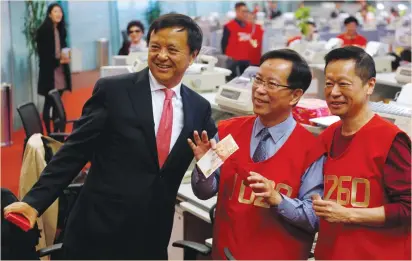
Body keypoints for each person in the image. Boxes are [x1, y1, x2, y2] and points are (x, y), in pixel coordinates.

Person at [4, 13, 217, 260]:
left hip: (152, 237)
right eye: (155, 47)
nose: (161, 56)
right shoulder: (114, 91)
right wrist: (33, 202)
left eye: (172, 49)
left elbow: (213, 161)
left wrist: (206, 167)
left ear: (193, 55)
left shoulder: (198, 108)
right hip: (98, 231)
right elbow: (74, 151)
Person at [188, 49, 325, 260]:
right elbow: (204, 191)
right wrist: (203, 166)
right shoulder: (229, 133)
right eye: (257, 80)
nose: (259, 90)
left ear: (295, 95)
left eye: (271, 84)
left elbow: (314, 218)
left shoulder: (312, 149)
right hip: (227, 253)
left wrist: (278, 200)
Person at [313, 46, 411, 260]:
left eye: (343, 84)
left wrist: (348, 214)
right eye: (329, 83)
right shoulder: (326, 136)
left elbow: (407, 208)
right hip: (332, 253)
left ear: (370, 86)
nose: (333, 92)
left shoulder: (391, 141)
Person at [36, 3, 72, 134]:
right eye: (55, 11)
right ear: (50, 14)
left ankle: (57, 131)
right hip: (49, 72)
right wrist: (59, 60)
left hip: (60, 70)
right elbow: (44, 55)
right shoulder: (44, 30)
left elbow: (62, 47)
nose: (59, 14)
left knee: (58, 102)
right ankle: (48, 131)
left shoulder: (61, 29)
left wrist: (66, 56)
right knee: (49, 102)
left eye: (60, 12)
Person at [221, 2, 252, 78]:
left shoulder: (249, 26)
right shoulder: (229, 26)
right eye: (243, 11)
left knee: (246, 78)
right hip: (233, 58)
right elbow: (224, 43)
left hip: (245, 58)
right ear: (237, 11)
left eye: (246, 11)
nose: (245, 14)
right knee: (231, 78)